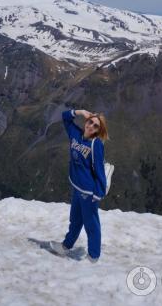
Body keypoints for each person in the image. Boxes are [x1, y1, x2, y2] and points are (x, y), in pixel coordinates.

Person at [50, 108, 109, 262]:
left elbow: (100, 170)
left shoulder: (96, 144)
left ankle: (93, 256)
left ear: (98, 131)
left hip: (88, 192)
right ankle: (66, 246)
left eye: (96, 126)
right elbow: (65, 118)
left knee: (91, 224)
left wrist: (98, 193)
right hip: (77, 187)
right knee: (75, 220)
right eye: (90, 122)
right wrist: (80, 112)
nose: (91, 126)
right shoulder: (75, 134)